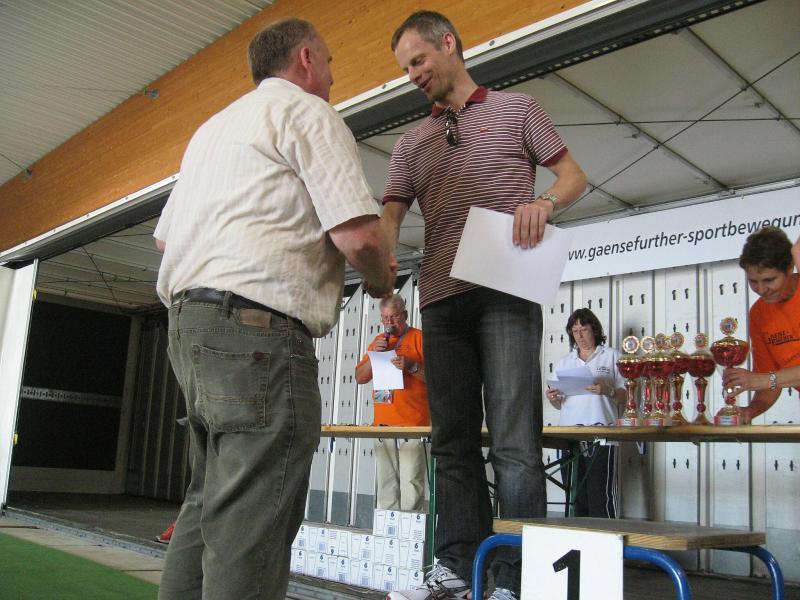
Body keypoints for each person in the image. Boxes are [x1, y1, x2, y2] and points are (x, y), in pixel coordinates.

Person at [152, 18, 395, 600]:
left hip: (189, 324)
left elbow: (164, 240)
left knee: (207, 499)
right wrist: (383, 281)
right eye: (330, 63)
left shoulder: (212, 129)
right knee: (251, 520)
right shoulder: (307, 112)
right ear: (306, 58)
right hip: (256, 332)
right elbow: (359, 238)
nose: (332, 78)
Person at [382, 11, 587, 600]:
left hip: (507, 292)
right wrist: (383, 277)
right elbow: (389, 217)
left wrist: (545, 204)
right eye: (405, 69)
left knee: (515, 442)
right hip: (440, 301)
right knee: (451, 441)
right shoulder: (409, 144)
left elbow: (573, 176)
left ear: (449, 44)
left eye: (419, 60)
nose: (413, 75)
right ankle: (456, 567)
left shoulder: (519, 109)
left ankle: (515, 581)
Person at [545, 309, 626, 518]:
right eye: (575, 331)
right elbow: (559, 404)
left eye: (584, 329)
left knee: (601, 496)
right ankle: (576, 538)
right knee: (575, 496)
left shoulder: (612, 356)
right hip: (570, 436)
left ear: (594, 330)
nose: (579, 336)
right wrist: (553, 398)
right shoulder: (565, 362)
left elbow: (627, 397)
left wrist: (607, 390)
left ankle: (604, 537)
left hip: (602, 434)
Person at [355, 294, 430, 512]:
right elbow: (359, 377)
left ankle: (409, 530)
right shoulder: (378, 341)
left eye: (394, 317)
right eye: (385, 318)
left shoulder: (419, 339)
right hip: (383, 426)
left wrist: (412, 366)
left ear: (405, 315)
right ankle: (389, 530)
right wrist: (373, 356)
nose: (389, 323)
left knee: (411, 486)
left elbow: (438, 378)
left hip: (413, 427)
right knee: (386, 486)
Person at [722, 227, 800, 423]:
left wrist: (764, 379)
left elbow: (767, 379)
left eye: (769, 280)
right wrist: (751, 411)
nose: (762, 289)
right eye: (753, 281)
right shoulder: (758, 314)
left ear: (790, 267)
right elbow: (769, 381)